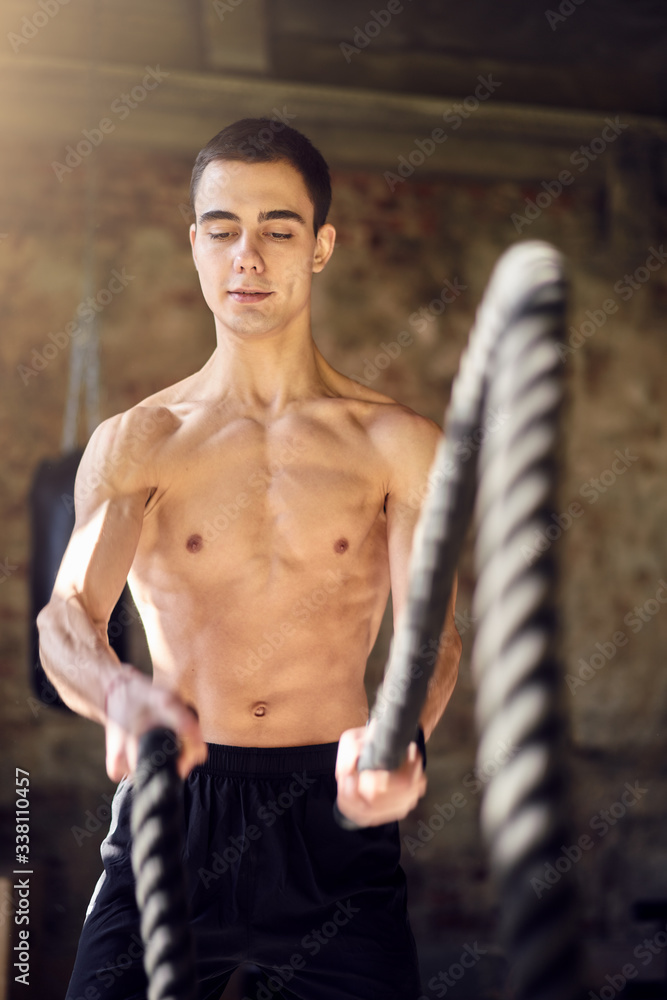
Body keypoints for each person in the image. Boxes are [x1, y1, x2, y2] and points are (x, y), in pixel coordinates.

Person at [38, 118, 462, 1000]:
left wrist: (401, 736)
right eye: (223, 229)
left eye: (278, 229)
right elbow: (67, 615)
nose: (248, 257)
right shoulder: (141, 440)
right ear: (194, 243)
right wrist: (117, 691)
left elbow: (433, 637)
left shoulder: (396, 443)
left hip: (333, 814)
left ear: (320, 247)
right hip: (176, 804)